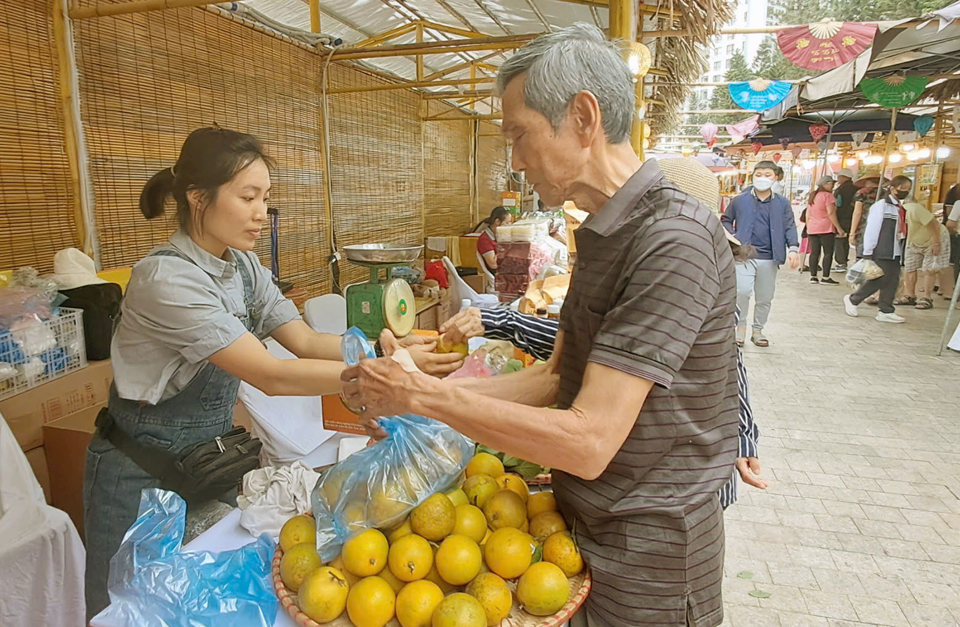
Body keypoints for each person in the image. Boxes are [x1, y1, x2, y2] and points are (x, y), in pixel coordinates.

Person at [342, 24, 739, 627]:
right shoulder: (606, 231)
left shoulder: (671, 239)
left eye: (520, 135)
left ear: (583, 118)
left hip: (648, 558)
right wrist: (411, 406)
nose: (516, 160)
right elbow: (555, 382)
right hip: (579, 533)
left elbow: (588, 438)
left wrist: (425, 393)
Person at [82, 127, 463, 618]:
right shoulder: (165, 279)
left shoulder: (242, 267)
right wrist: (378, 372)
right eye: (248, 197)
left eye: (265, 197)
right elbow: (270, 374)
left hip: (207, 465)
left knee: (200, 604)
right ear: (198, 198)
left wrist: (382, 347)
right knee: (125, 607)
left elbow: (301, 341)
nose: (263, 213)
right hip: (138, 476)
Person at [721, 160, 800, 347]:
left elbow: (789, 225)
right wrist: (733, 237)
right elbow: (725, 220)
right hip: (744, 256)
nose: (762, 178)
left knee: (765, 297)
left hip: (770, 257)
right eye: (758, 174)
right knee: (742, 291)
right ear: (752, 176)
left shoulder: (782, 203)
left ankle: (758, 330)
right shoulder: (739, 200)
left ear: (776, 178)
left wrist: (794, 248)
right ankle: (739, 328)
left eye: (768, 175)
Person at [843, 175, 913, 323]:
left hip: (895, 249)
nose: (905, 192)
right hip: (881, 249)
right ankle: (854, 299)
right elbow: (872, 229)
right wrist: (868, 251)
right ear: (892, 188)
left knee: (892, 280)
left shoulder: (899, 208)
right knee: (880, 278)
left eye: (908, 189)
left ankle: (886, 309)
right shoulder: (881, 206)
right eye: (902, 189)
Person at [900, 200, 950, 309]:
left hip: (936, 236)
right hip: (914, 240)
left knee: (929, 269)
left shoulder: (914, 209)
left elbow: (933, 223)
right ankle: (910, 295)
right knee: (909, 267)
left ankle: (927, 298)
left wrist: (936, 242)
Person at [805, 175, 845, 284]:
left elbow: (808, 213)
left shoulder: (813, 195)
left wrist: (809, 226)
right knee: (828, 253)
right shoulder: (828, 196)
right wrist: (839, 228)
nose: (832, 185)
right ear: (825, 184)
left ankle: (813, 276)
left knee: (814, 252)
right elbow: (831, 213)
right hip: (826, 228)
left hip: (812, 228)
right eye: (831, 183)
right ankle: (825, 277)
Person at [472, 206, 513, 273]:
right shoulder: (485, 240)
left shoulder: (498, 235)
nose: (508, 226)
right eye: (506, 223)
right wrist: (506, 248)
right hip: (498, 273)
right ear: (497, 221)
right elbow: (493, 264)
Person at [832, 168, 857, 273]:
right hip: (853, 218)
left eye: (839, 177)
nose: (838, 179)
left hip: (841, 218)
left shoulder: (840, 190)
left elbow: (837, 205)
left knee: (839, 240)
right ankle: (844, 260)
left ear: (844, 177)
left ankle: (841, 262)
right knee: (846, 241)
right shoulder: (856, 189)